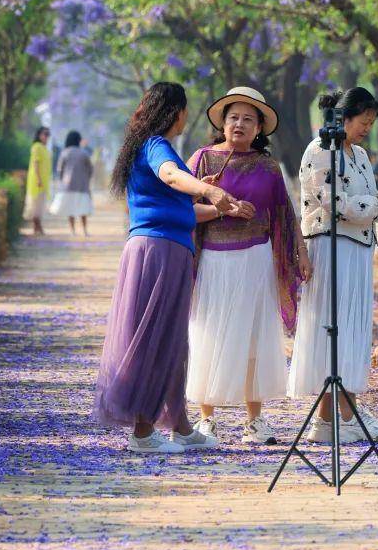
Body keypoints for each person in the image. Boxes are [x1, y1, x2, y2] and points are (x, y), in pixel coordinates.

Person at [93, 81, 256, 455]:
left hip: (166, 247)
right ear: (175, 111)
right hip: (159, 251)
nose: (186, 116)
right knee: (156, 338)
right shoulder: (156, 145)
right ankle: (143, 432)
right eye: (185, 109)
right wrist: (207, 188)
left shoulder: (147, 146)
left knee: (174, 343)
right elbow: (170, 175)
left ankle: (180, 427)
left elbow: (181, 208)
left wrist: (219, 207)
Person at [288, 87, 378, 444]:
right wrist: (377, 201)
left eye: (371, 123)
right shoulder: (319, 150)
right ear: (343, 117)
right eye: (363, 122)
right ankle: (347, 414)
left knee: (350, 330)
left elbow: (373, 210)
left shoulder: (361, 155)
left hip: (359, 250)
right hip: (330, 248)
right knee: (333, 329)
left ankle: (325, 421)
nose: (366, 129)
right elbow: (334, 202)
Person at [186, 87, 312, 447]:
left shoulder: (269, 167)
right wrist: (222, 208)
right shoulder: (202, 161)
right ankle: (206, 419)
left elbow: (286, 215)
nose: (239, 124)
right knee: (210, 334)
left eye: (247, 119)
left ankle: (254, 422)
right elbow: (184, 209)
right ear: (222, 123)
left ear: (260, 129)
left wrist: (300, 253)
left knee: (254, 339)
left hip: (255, 260)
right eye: (233, 117)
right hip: (214, 259)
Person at [50, 130, 94, 236]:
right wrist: (87, 179)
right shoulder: (84, 153)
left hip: (68, 185)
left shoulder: (65, 152)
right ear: (78, 140)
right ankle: (85, 231)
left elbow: (60, 169)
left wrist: (61, 181)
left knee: (70, 209)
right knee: (83, 209)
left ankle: (72, 231)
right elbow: (90, 169)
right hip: (82, 186)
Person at [24, 126, 52, 234]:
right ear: (39, 135)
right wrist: (38, 179)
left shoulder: (45, 148)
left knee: (40, 206)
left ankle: (38, 227)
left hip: (44, 181)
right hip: (36, 181)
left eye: (48, 135)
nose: (46, 137)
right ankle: (37, 228)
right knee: (35, 205)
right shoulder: (36, 147)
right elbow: (35, 163)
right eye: (45, 134)